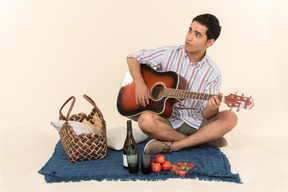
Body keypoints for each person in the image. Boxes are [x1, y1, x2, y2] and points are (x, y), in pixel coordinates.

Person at [126, 13, 238, 154]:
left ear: (209, 42)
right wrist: (140, 82)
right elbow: (133, 57)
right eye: (190, 30)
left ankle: (176, 145)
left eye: (197, 35)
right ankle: (201, 141)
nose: (189, 37)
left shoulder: (213, 73)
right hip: (166, 121)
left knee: (231, 117)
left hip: (196, 122)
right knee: (145, 121)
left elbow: (207, 114)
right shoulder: (168, 53)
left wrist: (212, 108)